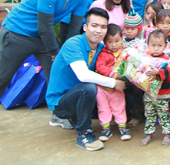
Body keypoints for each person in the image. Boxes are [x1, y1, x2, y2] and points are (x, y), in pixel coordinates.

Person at [0, 0, 94, 109]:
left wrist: (67, 52)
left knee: (59, 71)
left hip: (41, 38)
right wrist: (54, 52)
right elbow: (45, 27)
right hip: (16, 33)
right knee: (1, 77)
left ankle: (60, 112)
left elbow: (74, 28)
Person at [45, 8, 126, 151]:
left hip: (81, 98)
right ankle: (83, 134)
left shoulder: (100, 47)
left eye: (103, 27)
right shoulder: (73, 44)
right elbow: (83, 75)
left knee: (125, 98)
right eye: (94, 25)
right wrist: (114, 83)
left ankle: (77, 118)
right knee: (89, 87)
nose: (98, 31)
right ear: (85, 27)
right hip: (61, 100)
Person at [139, 30, 170, 147]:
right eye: (153, 45)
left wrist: (158, 72)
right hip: (148, 93)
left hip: (162, 93)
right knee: (149, 114)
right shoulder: (145, 59)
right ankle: (149, 133)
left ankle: (166, 134)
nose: (156, 48)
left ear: (165, 46)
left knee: (164, 114)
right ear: (148, 45)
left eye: (159, 45)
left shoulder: (166, 60)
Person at [95, 24, 131, 142]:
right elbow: (99, 66)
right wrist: (111, 74)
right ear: (105, 42)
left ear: (122, 39)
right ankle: (106, 129)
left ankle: (122, 128)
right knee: (103, 108)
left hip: (117, 88)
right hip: (102, 88)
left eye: (117, 41)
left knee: (119, 106)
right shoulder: (103, 54)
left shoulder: (124, 54)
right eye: (110, 42)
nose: (114, 45)